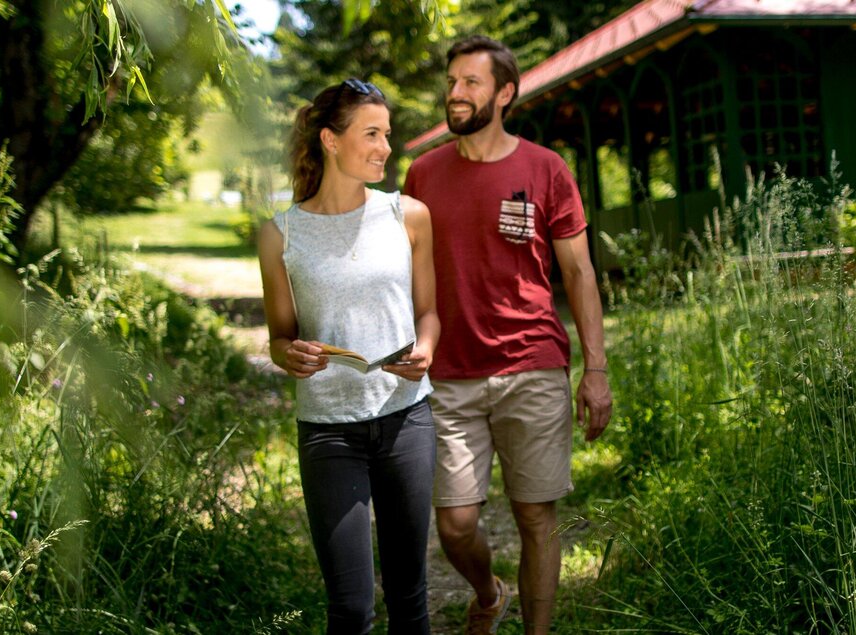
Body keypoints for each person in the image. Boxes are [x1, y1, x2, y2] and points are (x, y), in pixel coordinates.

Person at [403, 35, 613, 634]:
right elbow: (401, 269)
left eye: (470, 82)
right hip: (449, 373)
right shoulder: (423, 174)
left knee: (536, 517)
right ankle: (488, 591)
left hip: (533, 365)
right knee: (455, 525)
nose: (456, 92)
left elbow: (579, 272)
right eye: (451, 82)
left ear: (504, 93)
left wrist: (595, 369)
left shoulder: (546, 169)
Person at [257, 78, 440, 634]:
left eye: (387, 134)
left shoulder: (409, 215)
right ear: (330, 140)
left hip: (406, 419)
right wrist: (289, 355)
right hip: (328, 431)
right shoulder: (280, 235)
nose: (386, 147)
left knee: (409, 596)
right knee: (351, 608)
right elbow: (280, 337)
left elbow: (429, 313)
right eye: (372, 134)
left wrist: (426, 349)